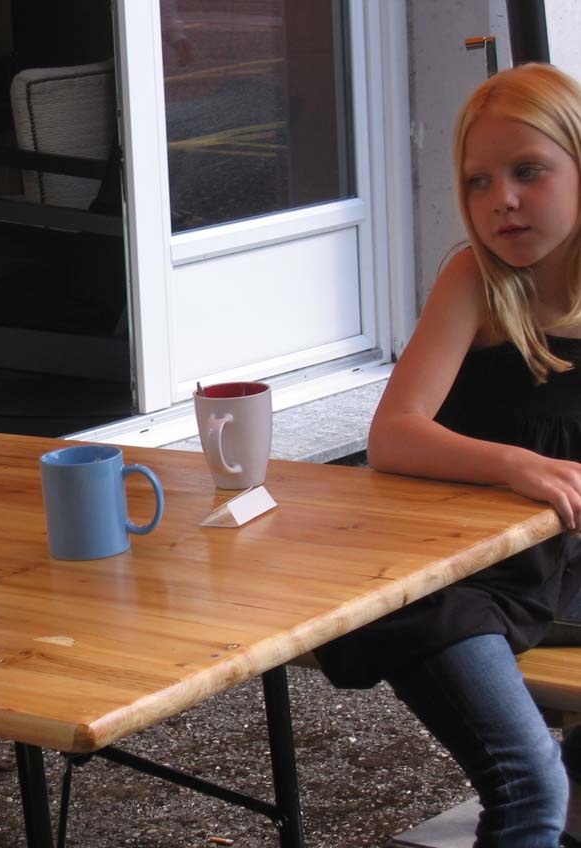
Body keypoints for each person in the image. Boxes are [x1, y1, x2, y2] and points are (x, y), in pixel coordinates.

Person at [316, 62, 581, 847]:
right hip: (442, 581)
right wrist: (512, 463)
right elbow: (391, 435)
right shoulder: (476, 280)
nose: (501, 200)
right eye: (477, 181)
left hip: (554, 574)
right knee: (528, 784)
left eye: (527, 172)